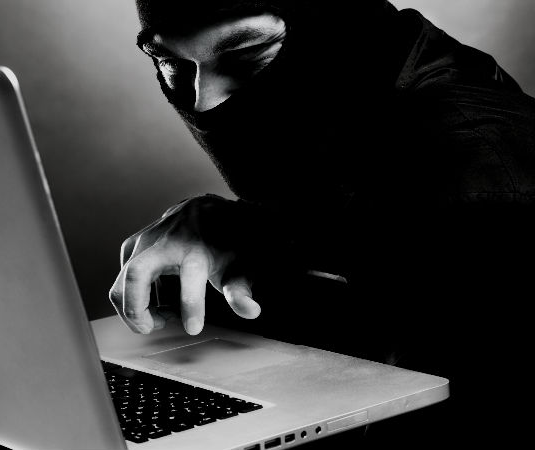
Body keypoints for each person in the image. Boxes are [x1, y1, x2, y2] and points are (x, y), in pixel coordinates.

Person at [108, 0, 535, 447]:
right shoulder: (367, 93)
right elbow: (374, 224)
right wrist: (234, 228)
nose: (205, 101)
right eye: (172, 64)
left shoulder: (477, 189)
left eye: (248, 56)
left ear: (337, 26)